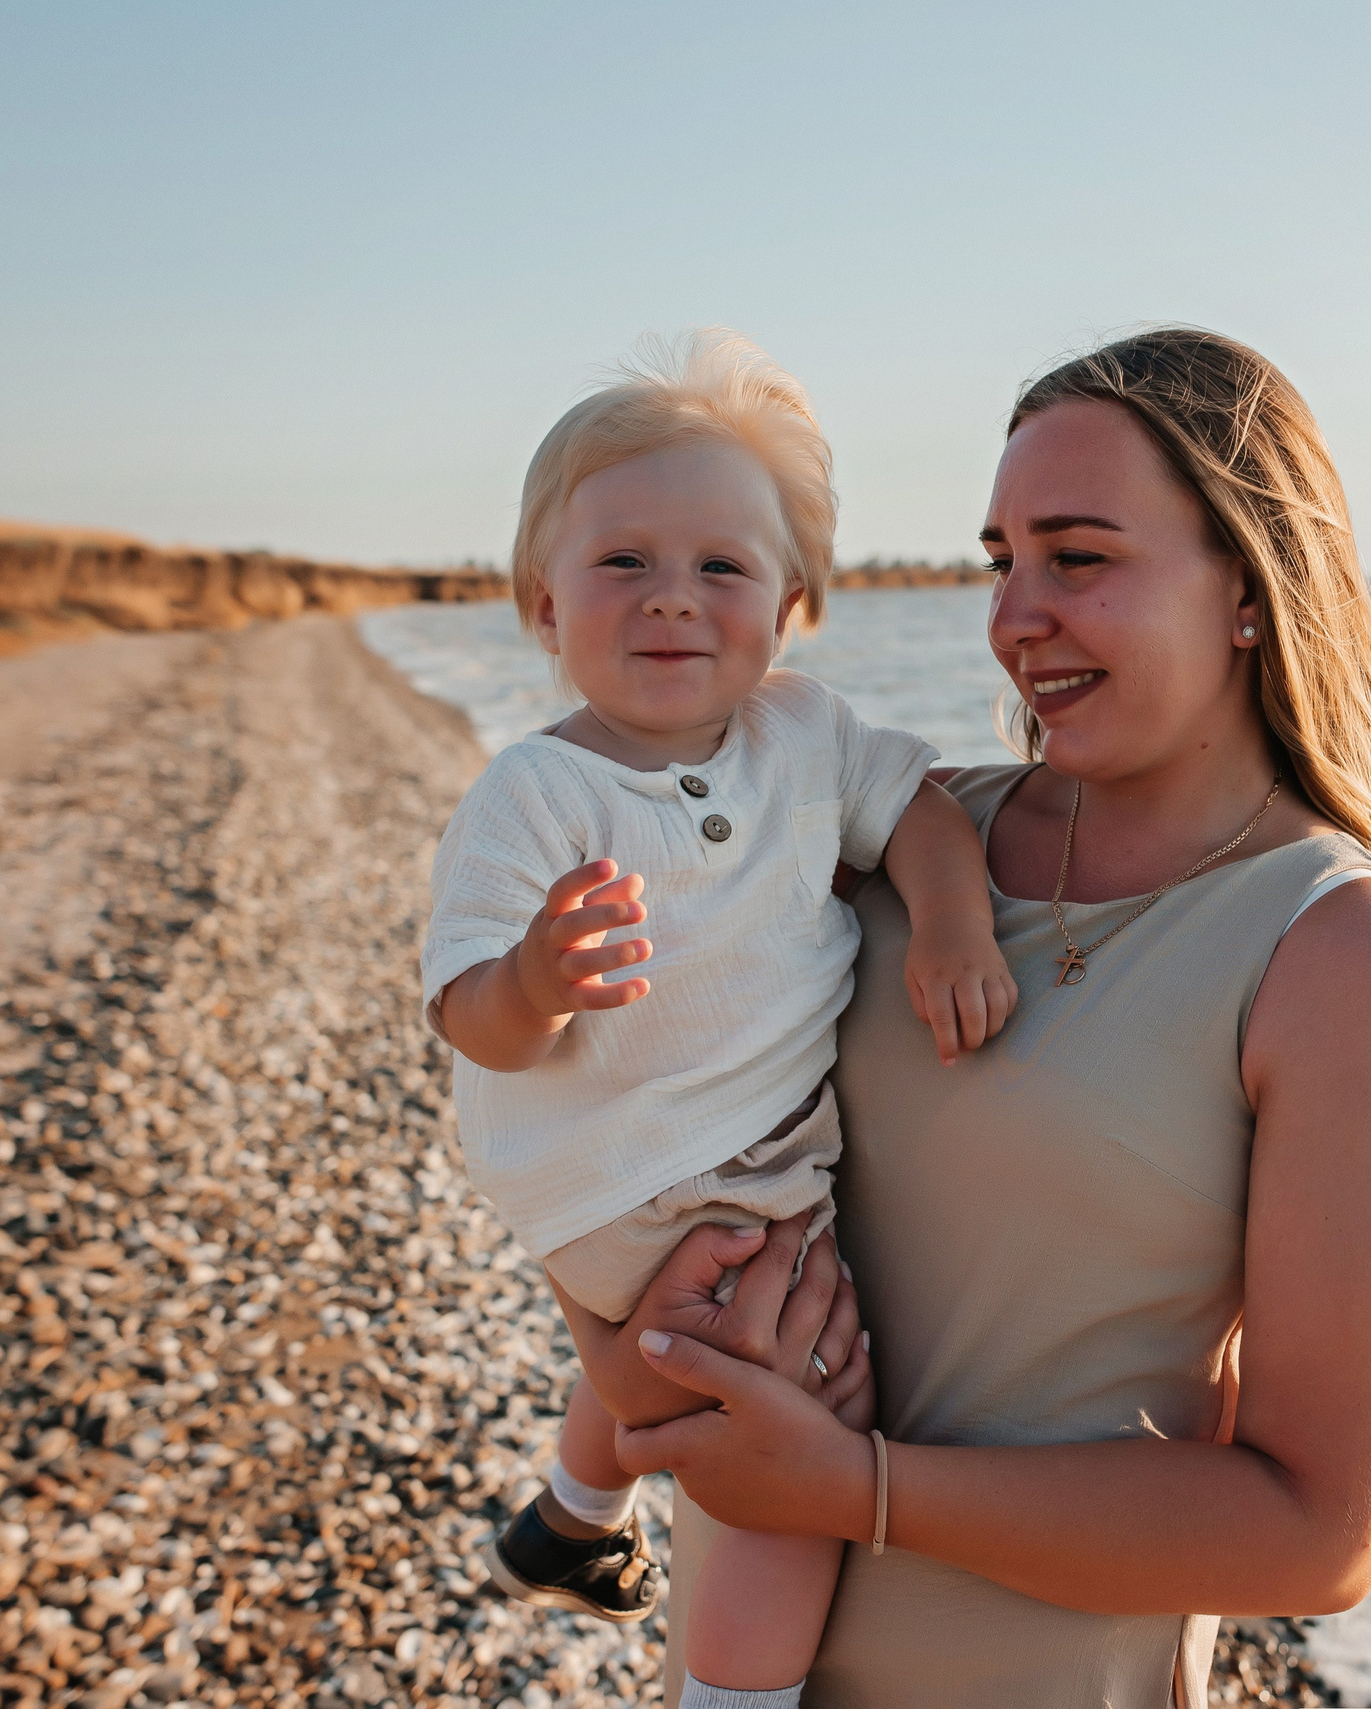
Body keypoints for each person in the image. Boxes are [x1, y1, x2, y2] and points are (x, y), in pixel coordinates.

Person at [602, 326, 1371, 1706]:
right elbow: (616, 1092)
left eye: (1079, 556)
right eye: (1003, 560)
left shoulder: (1340, 950)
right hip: (734, 1657)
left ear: (1248, 585)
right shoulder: (895, 838)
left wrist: (859, 1489)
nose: (1013, 616)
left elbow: (1320, 1530)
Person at [420, 332, 1017, 1708]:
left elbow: (921, 812)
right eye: (623, 562)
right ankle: (732, 1696)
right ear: (542, 602)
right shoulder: (535, 794)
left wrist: (952, 920)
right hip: (632, 1172)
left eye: (723, 567)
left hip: (677, 1169)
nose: (673, 600)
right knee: (792, 1409)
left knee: (690, 1350)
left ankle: (572, 1514)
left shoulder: (804, 734)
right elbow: (471, 1014)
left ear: (794, 605)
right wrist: (537, 981)